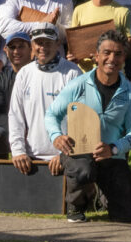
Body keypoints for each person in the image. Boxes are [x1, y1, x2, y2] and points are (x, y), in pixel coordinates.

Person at [46, 29, 131, 223]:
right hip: (79, 153)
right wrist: (56, 136)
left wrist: (114, 148)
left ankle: (103, 194)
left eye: (118, 54)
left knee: (127, 215)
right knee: (84, 170)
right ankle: (76, 205)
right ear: (96, 56)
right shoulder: (78, 85)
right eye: (107, 53)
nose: (112, 59)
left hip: (112, 155)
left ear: (124, 58)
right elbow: (52, 114)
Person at [6, 26, 78, 172]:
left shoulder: (73, 73)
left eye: (48, 43)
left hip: (63, 158)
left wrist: (65, 154)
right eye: (39, 43)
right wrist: (18, 151)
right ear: (32, 45)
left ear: (57, 44)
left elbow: (79, 119)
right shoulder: (24, 73)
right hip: (30, 158)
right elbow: (15, 115)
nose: (43, 48)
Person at [69, 0, 131, 70]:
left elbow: (130, 48)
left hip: (113, 73)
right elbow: (74, 45)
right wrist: (72, 56)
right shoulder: (79, 11)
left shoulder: (123, 12)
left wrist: (105, 56)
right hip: (84, 74)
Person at [0, 32, 35, 158]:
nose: (16, 51)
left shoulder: (40, 75)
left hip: (37, 128)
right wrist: (19, 132)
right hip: (13, 128)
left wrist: (30, 130)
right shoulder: (1, 78)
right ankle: (1, 166)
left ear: (31, 49)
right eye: (12, 47)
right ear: (6, 51)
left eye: (21, 47)